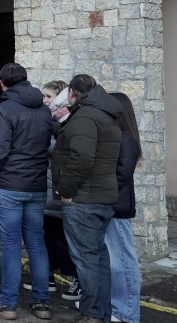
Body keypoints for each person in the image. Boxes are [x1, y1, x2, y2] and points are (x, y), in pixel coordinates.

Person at [0, 63, 55, 320]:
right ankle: (42, 302)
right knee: (36, 242)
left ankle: (8, 303)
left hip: (7, 185)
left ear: (2, 83)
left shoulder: (3, 110)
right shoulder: (44, 111)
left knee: (11, 244)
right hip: (35, 184)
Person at [52, 74, 122, 323]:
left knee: (87, 260)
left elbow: (81, 158)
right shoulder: (106, 114)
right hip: (101, 196)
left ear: (72, 92)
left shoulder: (85, 116)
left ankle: (92, 314)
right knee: (98, 258)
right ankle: (101, 312)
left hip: (83, 198)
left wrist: (66, 189)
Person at [30, 81, 82, 301]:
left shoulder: (66, 122)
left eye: (49, 96)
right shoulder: (49, 120)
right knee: (47, 236)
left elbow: (61, 149)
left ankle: (75, 280)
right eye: (43, 96)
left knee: (65, 239)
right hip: (48, 189)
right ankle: (48, 277)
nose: (45, 100)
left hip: (60, 190)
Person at [106, 92, 142, 323]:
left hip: (117, 206)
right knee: (114, 260)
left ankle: (126, 312)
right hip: (113, 204)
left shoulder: (125, 138)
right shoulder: (120, 136)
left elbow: (122, 173)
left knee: (122, 261)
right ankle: (118, 307)